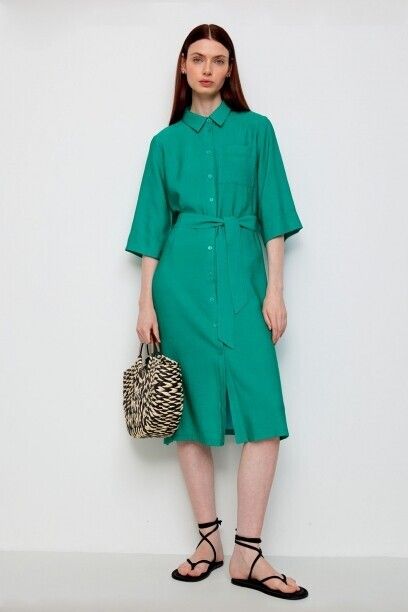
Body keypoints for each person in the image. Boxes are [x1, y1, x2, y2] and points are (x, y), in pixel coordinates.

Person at [125, 23, 308, 600]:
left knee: (263, 413)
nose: (208, 68)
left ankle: (248, 552)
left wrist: (275, 291)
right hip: (179, 292)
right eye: (198, 58)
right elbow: (152, 229)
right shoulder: (164, 144)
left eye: (219, 59)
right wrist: (145, 300)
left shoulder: (257, 131)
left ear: (230, 70)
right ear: (184, 66)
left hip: (243, 286)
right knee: (191, 414)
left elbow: (274, 216)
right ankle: (209, 541)